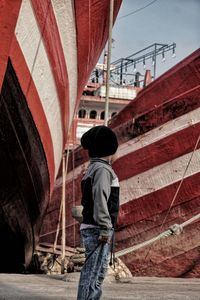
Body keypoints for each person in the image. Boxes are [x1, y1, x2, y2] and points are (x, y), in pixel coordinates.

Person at [77, 125, 120, 300]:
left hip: (93, 227)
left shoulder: (94, 168)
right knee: (94, 274)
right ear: (109, 149)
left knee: (95, 272)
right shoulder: (103, 170)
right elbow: (100, 199)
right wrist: (104, 227)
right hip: (98, 229)